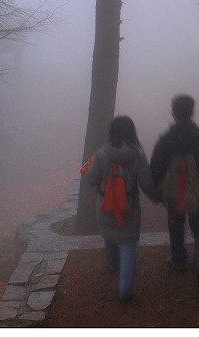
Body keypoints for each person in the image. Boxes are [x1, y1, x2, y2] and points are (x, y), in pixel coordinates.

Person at [150, 94, 199, 298]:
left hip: (174, 194)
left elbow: (155, 169)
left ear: (173, 114)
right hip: (198, 193)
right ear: (192, 113)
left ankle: (179, 260)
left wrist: (156, 191)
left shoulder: (164, 141)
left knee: (175, 225)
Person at [82, 115, 157, 301]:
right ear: (132, 132)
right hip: (129, 208)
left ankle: (112, 262)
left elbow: (90, 179)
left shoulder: (101, 154)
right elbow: (147, 184)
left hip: (105, 206)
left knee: (109, 233)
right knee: (128, 244)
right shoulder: (138, 155)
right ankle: (124, 289)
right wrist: (158, 197)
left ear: (112, 132)